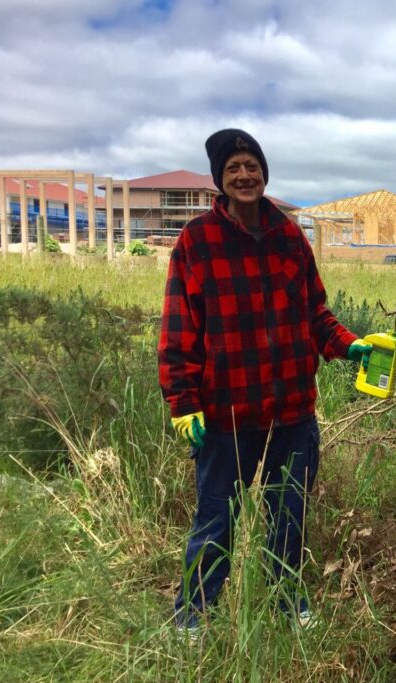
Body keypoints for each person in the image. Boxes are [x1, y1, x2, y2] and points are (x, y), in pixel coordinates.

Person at [158, 128, 372, 633]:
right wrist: (182, 401)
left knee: (288, 518)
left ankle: (286, 600)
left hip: (291, 412)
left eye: (251, 164)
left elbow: (314, 312)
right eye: (233, 167)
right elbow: (178, 328)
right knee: (215, 519)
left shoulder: (289, 237)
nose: (244, 174)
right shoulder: (197, 241)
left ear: (264, 172)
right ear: (220, 180)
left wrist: (348, 344)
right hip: (224, 415)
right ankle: (193, 615)